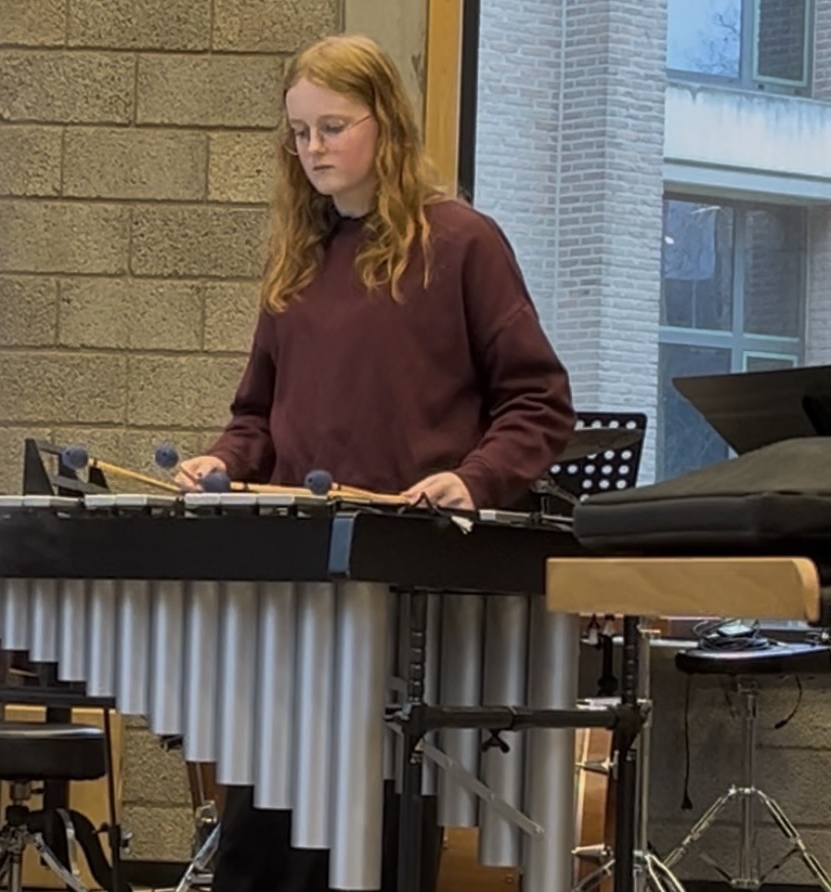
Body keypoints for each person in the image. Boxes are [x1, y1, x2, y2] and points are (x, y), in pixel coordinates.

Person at [178, 32, 576, 892]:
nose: (313, 149)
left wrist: (472, 478)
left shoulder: (463, 243)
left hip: (406, 589)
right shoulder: (297, 260)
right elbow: (256, 418)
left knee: (375, 844)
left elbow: (539, 402)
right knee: (257, 848)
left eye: (332, 127)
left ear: (385, 123)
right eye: (299, 133)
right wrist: (220, 461)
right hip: (300, 587)